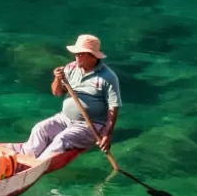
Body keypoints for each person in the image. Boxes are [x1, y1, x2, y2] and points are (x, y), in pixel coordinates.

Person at [14, 33, 120, 162]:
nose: (76, 57)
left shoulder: (108, 77)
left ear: (92, 56)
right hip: (64, 118)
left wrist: (107, 135)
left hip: (89, 125)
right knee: (40, 128)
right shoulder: (71, 68)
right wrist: (57, 79)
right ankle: (25, 158)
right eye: (76, 53)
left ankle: (37, 165)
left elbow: (113, 108)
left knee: (62, 139)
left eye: (80, 54)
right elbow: (57, 93)